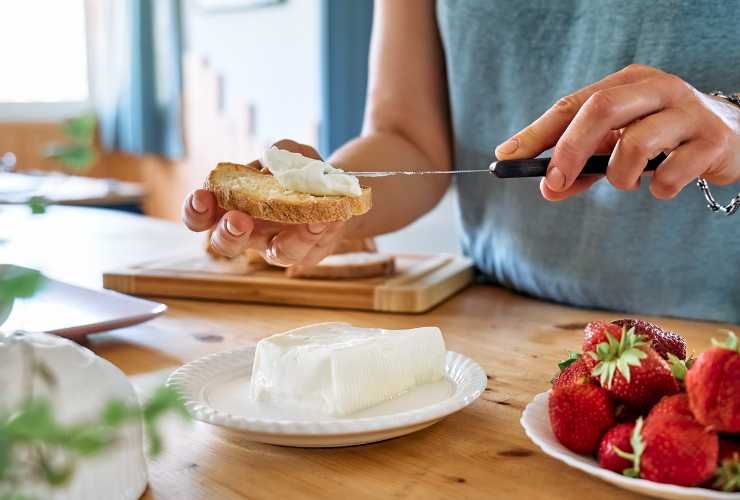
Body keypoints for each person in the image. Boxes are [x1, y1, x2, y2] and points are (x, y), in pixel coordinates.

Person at [182, 1, 740, 323]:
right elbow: (405, 135)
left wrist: (731, 123)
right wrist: (329, 204)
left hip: (715, 338)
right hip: (497, 319)